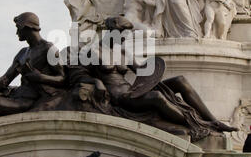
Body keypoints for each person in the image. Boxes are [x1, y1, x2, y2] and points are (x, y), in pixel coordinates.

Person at [93, 16, 238, 140]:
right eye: (123, 35)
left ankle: (213, 121)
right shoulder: (94, 52)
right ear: (112, 33)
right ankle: (198, 124)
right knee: (156, 96)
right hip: (121, 98)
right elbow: (82, 76)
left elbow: (141, 71)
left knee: (179, 81)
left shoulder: (122, 51)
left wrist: (155, 68)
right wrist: (96, 82)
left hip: (132, 91)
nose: (126, 38)